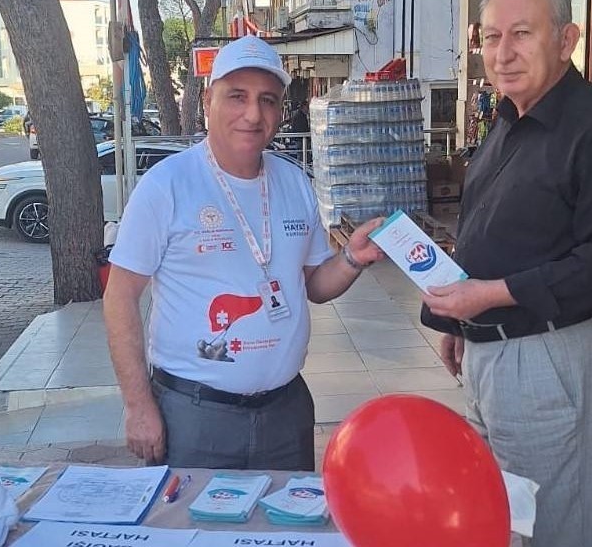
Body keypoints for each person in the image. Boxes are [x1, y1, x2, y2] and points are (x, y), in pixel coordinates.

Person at [420, 0, 592, 547]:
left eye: (522, 33)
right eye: (492, 36)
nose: (503, 53)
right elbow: (487, 231)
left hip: (550, 352)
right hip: (489, 347)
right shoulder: (507, 121)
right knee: (505, 512)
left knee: (554, 522)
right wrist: (461, 323)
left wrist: (493, 295)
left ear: (567, 39)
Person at [104, 34, 385, 471]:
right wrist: (138, 404)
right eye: (237, 96)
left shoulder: (294, 182)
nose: (254, 114)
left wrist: (352, 258)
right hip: (194, 415)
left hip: (286, 412)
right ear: (207, 99)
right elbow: (120, 296)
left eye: (268, 100)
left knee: (286, 533)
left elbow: (314, 284)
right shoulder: (167, 185)